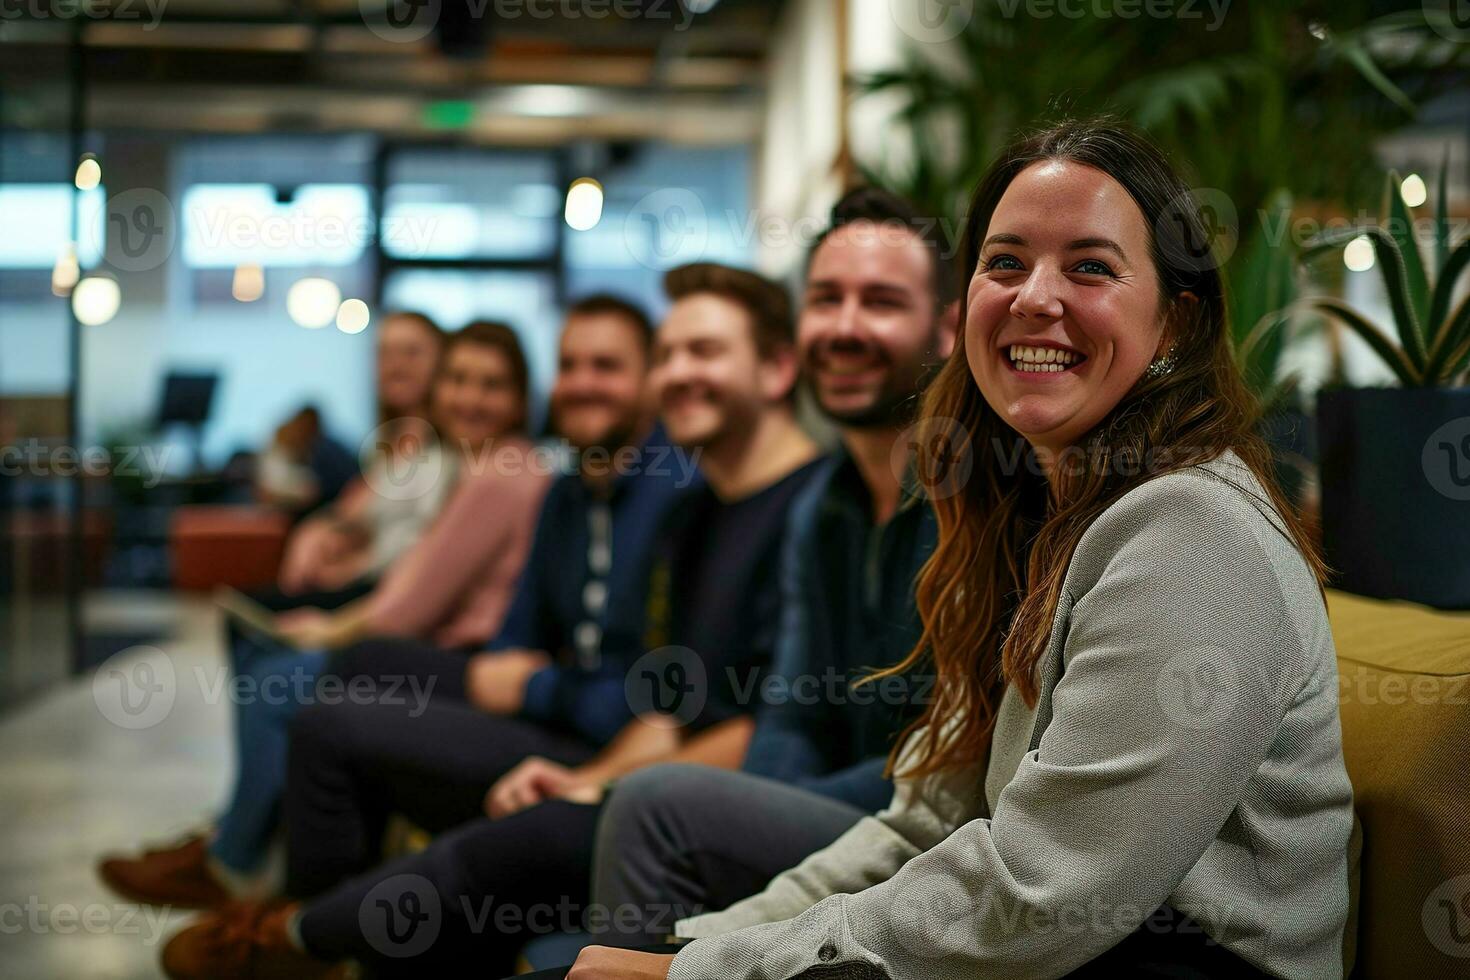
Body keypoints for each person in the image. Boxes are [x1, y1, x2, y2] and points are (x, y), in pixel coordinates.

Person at [570, 119, 1358, 980]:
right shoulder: (1037, 514)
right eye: (1006, 262)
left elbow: (1041, 896)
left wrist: (706, 972)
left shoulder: (1190, 531)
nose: (1034, 298)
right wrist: (698, 948)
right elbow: (925, 816)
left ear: (1174, 323)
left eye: (1089, 267)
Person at [98, 321, 551, 907]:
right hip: (440, 642)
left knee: (278, 681)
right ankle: (247, 843)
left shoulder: (500, 475)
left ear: (521, 398)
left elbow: (413, 600)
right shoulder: (476, 463)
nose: (470, 398)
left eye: (492, 385)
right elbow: (403, 563)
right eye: (459, 380)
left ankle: (242, 869)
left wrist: (333, 625)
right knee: (270, 649)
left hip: (467, 659)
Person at [275, 310, 447, 598]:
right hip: (370, 582)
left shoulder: (447, 449)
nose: (396, 365)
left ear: (442, 362)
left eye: (411, 353)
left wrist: (353, 567)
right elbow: (352, 509)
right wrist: (316, 532)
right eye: (385, 354)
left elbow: (426, 544)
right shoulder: (387, 443)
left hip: (396, 591)